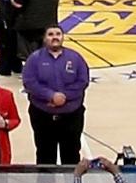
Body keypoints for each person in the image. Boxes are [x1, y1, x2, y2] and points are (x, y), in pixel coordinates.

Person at [23, 22, 90, 163]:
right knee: (44, 154)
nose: (55, 37)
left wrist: (64, 96)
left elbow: (82, 81)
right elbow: (30, 82)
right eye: (51, 34)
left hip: (71, 116)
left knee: (71, 155)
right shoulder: (34, 59)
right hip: (42, 115)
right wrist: (50, 96)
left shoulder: (75, 58)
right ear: (44, 38)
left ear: (63, 37)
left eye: (58, 34)